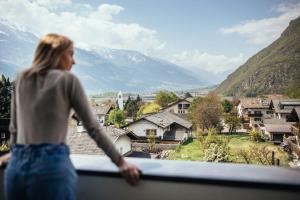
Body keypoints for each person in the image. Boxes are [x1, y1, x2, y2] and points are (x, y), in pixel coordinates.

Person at [0, 33, 140, 200]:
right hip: (51, 168)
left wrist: (15, 153)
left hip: (17, 167)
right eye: (71, 54)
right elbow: (93, 128)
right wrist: (121, 162)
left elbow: (14, 127)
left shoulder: (23, 78)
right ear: (57, 55)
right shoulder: (68, 80)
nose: (74, 61)